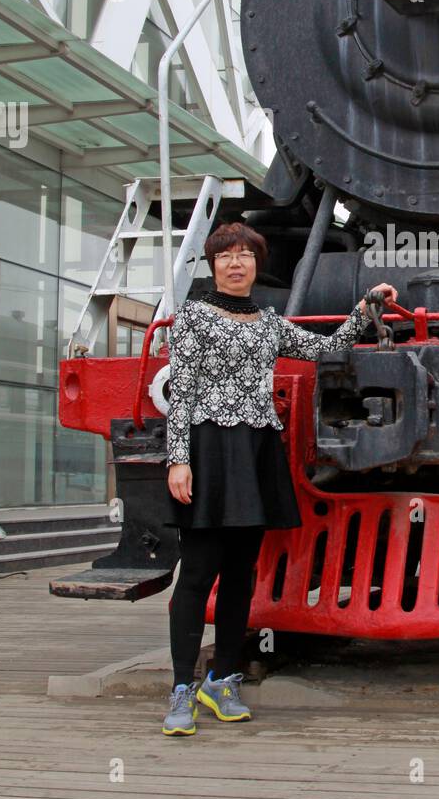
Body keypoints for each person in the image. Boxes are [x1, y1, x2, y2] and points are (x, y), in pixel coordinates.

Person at [161, 220, 397, 736]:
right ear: (213, 264)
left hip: (255, 449)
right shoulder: (193, 319)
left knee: (242, 573)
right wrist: (179, 458)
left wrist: (366, 307)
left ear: (256, 265)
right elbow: (181, 391)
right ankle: (182, 688)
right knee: (198, 574)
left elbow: (325, 349)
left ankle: (222, 681)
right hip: (207, 447)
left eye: (245, 254)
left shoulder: (269, 322)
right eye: (226, 255)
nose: (236, 263)